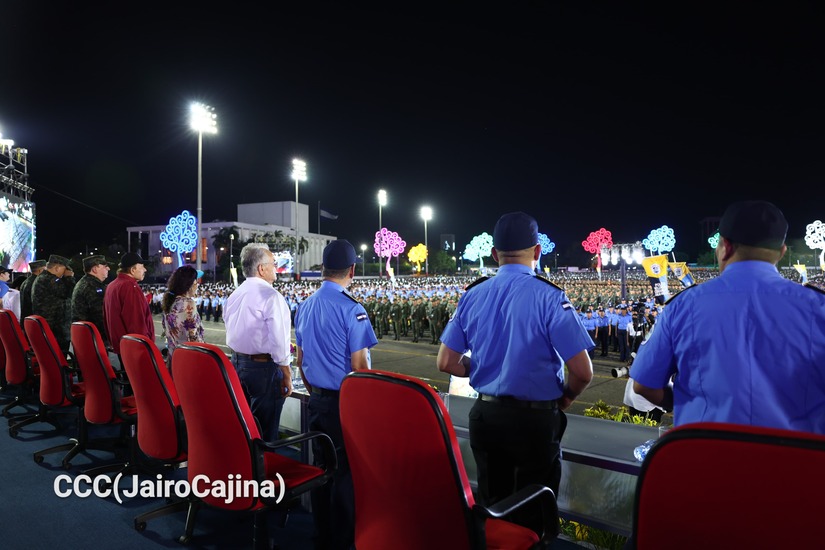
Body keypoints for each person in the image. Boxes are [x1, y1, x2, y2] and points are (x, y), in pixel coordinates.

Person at [437, 211, 594, 536]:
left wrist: (480, 367)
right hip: (534, 424)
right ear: (537, 252)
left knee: (493, 510)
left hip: (486, 416)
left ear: (494, 254)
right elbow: (582, 371)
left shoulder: (473, 294)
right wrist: (566, 397)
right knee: (534, 516)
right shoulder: (550, 297)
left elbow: (446, 362)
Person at [631, 200, 825, 433]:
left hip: (706, 455)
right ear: (781, 252)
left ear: (725, 246)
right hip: (795, 462)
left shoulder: (683, 305)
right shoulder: (817, 306)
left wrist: (686, 402)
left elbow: (643, 385)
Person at [294, 239, 378, 550]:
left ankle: (322, 535)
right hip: (346, 403)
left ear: (323, 270)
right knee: (345, 473)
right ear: (352, 270)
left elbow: (301, 362)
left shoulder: (305, 305)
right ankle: (343, 541)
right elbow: (359, 367)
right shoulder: (351, 309)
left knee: (321, 468)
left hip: (317, 400)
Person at [223, 243, 292, 443]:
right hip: (263, 368)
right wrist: (286, 372)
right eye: (273, 263)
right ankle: (263, 472)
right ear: (262, 269)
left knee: (243, 426)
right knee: (265, 431)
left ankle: (244, 470)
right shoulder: (271, 296)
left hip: (237, 364)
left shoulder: (235, 294)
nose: (276, 266)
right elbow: (279, 340)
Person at [103, 252, 154, 363]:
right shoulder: (130, 286)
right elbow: (136, 321)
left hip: (121, 344)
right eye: (142, 267)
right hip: (134, 347)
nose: (145, 270)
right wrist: (144, 345)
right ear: (133, 270)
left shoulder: (112, 285)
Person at [160, 265, 205, 368]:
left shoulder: (170, 301)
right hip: (188, 361)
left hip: (173, 358)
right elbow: (193, 337)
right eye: (196, 282)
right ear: (189, 284)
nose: (197, 285)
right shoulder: (188, 303)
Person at [31, 255, 76, 352]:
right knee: (58, 359)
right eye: (65, 268)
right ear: (57, 268)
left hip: (53, 327)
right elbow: (69, 293)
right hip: (54, 329)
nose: (66, 271)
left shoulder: (45, 278)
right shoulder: (49, 279)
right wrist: (69, 277)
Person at [71, 255, 110, 345]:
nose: (108, 268)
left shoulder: (86, 282)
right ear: (95, 269)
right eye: (105, 266)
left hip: (85, 336)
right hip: (93, 338)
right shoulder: (93, 286)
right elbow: (100, 315)